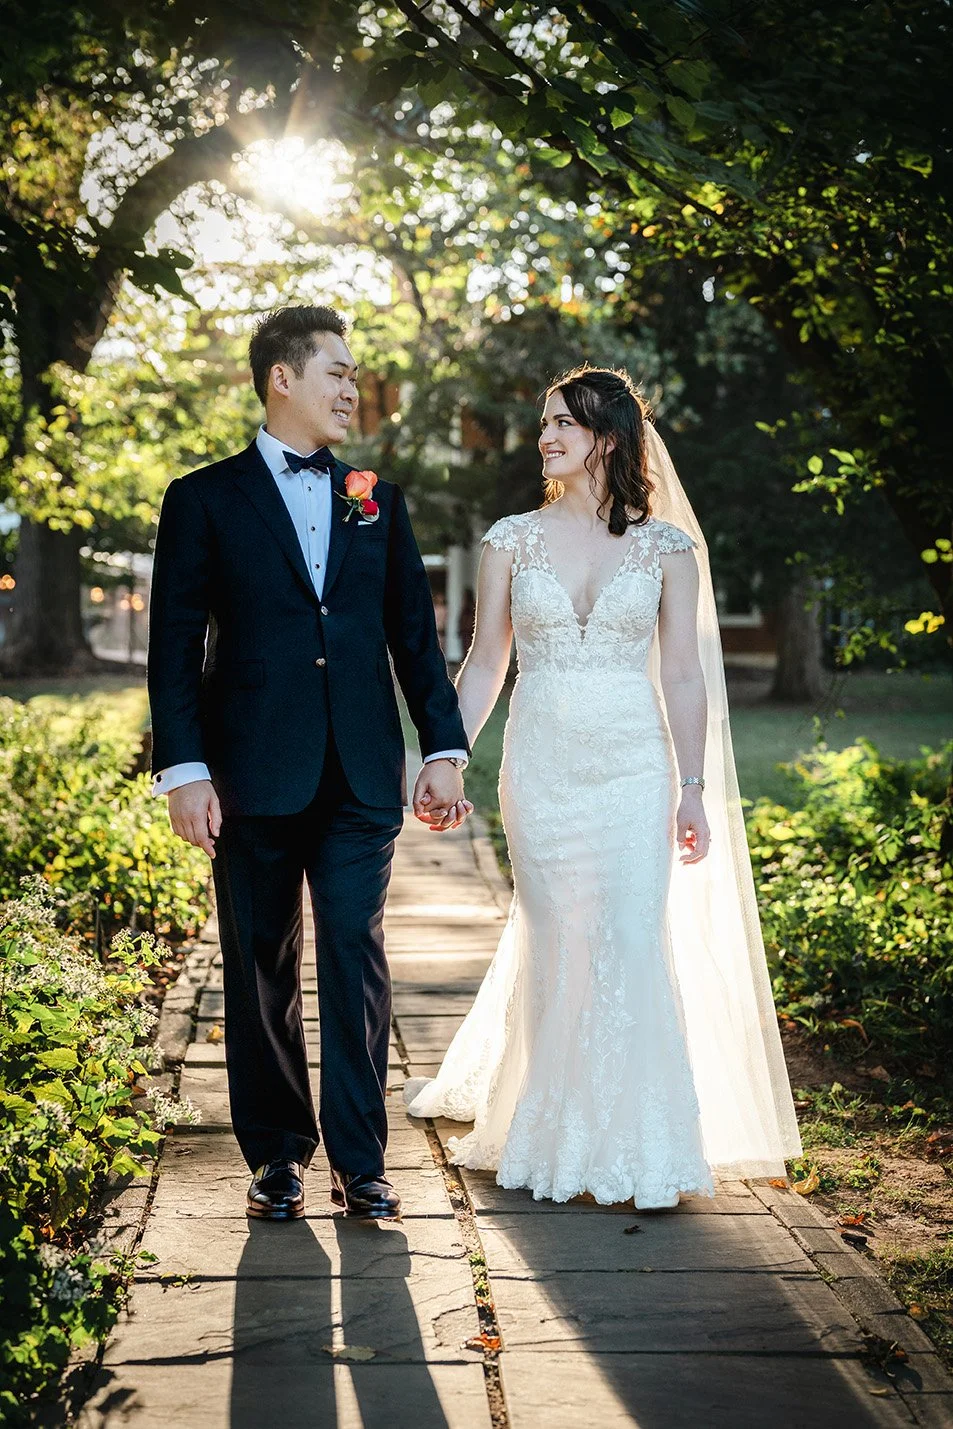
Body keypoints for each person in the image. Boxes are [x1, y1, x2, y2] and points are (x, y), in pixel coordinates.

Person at [405, 365, 802, 1207]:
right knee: (559, 935)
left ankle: (639, 1140)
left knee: (626, 934)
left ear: (608, 439)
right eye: (544, 421)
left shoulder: (668, 550)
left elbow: (684, 675)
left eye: (564, 422)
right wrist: (448, 755)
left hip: (633, 769)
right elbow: (486, 663)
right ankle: (553, 1131)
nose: (544, 435)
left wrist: (690, 787)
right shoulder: (509, 540)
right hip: (541, 767)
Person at [148, 304, 473, 1221]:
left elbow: (413, 634)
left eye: (353, 373)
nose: (350, 388)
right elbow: (173, 646)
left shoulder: (375, 497)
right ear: (281, 378)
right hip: (250, 772)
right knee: (259, 965)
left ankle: (362, 1162)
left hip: (361, 772)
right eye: (336, 370)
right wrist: (185, 771)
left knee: (356, 959)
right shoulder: (202, 498)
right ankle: (277, 1154)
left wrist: (442, 747)